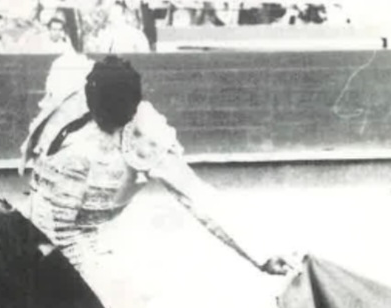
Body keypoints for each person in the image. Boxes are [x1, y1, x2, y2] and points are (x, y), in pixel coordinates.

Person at [20, 55, 294, 283]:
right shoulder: (71, 104)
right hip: (38, 228)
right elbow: (57, 228)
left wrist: (262, 253)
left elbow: (196, 196)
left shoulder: (145, 131)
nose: (110, 126)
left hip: (82, 237)